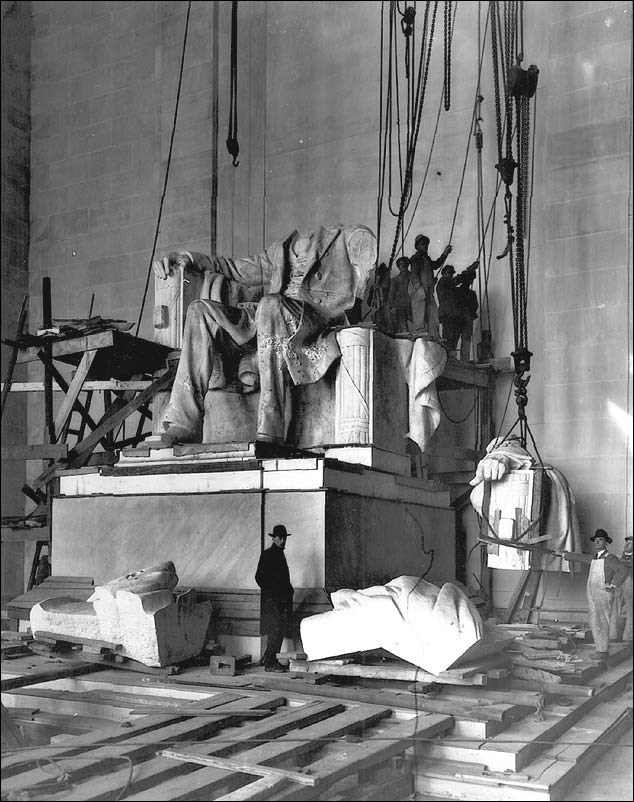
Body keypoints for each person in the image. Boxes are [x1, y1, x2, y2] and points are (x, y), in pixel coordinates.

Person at [153, 224, 377, 448]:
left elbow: (363, 248)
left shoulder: (338, 238)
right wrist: (191, 258)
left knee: (270, 304)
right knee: (199, 310)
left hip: (312, 317)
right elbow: (235, 268)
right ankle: (183, 424)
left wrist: (361, 263)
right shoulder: (279, 250)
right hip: (270, 316)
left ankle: (271, 428)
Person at [555, 529, 630, 659]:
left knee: (601, 622)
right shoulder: (594, 557)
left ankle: (602, 651)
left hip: (603, 594)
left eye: (600, 540)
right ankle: (600, 649)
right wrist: (564, 555)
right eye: (595, 540)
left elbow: (622, 571)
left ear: (606, 543)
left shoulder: (609, 558)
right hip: (592, 593)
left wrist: (614, 585)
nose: (597, 542)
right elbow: (580, 557)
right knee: (594, 621)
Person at [255, 523, 294, 672]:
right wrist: (272, 594)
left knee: (278, 631)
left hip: (280, 601)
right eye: (280, 538)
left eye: (284, 538)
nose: (283, 541)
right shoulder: (268, 554)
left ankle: (270, 660)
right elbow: (259, 577)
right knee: (274, 631)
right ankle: (270, 664)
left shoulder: (279, 554)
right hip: (272, 602)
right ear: (274, 539)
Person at [408, 234, 452, 336]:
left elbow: (436, 265)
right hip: (419, 292)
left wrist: (445, 253)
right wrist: (419, 288)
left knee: (433, 314)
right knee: (419, 314)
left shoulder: (426, 259)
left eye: (426, 244)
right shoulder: (416, 258)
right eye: (422, 244)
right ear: (418, 246)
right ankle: (420, 335)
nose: (425, 246)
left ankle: (434, 335)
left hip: (428, 291)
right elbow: (414, 275)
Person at [609, 535, 633, 643]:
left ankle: (628, 636)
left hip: (631, 582)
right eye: (626, 543)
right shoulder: (620, 556)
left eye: (630, 543)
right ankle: (613, 635)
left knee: (630, 610)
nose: (627, 545)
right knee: (615, 608)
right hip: (620, 583)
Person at [454, 263, 479, 362]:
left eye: (471, 280)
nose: (470, 282)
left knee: (466, 338)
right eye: (469, 279)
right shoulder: (455, 291)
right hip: (458, 316)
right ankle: (453, 358)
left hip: (467, 317)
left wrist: (469, 313)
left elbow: (475, 306)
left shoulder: (471, 293)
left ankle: (464, 360)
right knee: (455, 337)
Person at [435, 265, 461, 352]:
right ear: (444, 273)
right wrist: (468, 271)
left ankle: (451, 356)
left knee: (453, 336)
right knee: (448, 335)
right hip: (446, 313)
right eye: (448, 273)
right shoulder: (443, 281)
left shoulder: (448, 285)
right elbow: (455, 281)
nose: (450, 275)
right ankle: (448, 356)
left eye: (451, 273)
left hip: (451, 313)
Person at [386, 256, 412, 334]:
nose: (402, 266)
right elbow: (391, 294)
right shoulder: (395, 279)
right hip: (400, 305)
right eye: (400, 264)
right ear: (398, 266)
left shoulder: (413, 276)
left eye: (404, 264)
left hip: (412, 304)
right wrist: (392, 306)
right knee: (403, 328)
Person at [366, 261, 391, 330]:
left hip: (389, 308)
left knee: (388, 319)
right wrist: (374, 293)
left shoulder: (391, 285)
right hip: (379, 309)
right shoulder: (375, 287)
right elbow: (370, 302)